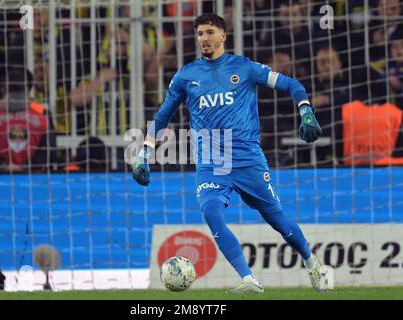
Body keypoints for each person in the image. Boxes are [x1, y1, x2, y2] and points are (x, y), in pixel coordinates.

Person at [131, 14, 329, 293]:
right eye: (199, 33)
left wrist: (306, 111)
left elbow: (292, 85)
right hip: (212, 161)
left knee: (278, 220)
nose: (204, 39)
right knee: (211, 211)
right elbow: (162, 116)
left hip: (248, 158)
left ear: (223, 35)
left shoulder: (244, 68)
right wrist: (144, 153)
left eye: (210, 32)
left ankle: (312, 263)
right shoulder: (186, 76)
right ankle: (249, 279)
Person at [0, 68, 56, 173]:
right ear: (27, 89)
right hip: (34, 178)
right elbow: (50, 151)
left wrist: (2, 166)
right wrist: (26, 167)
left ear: (4, 89)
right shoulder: (42, 113)